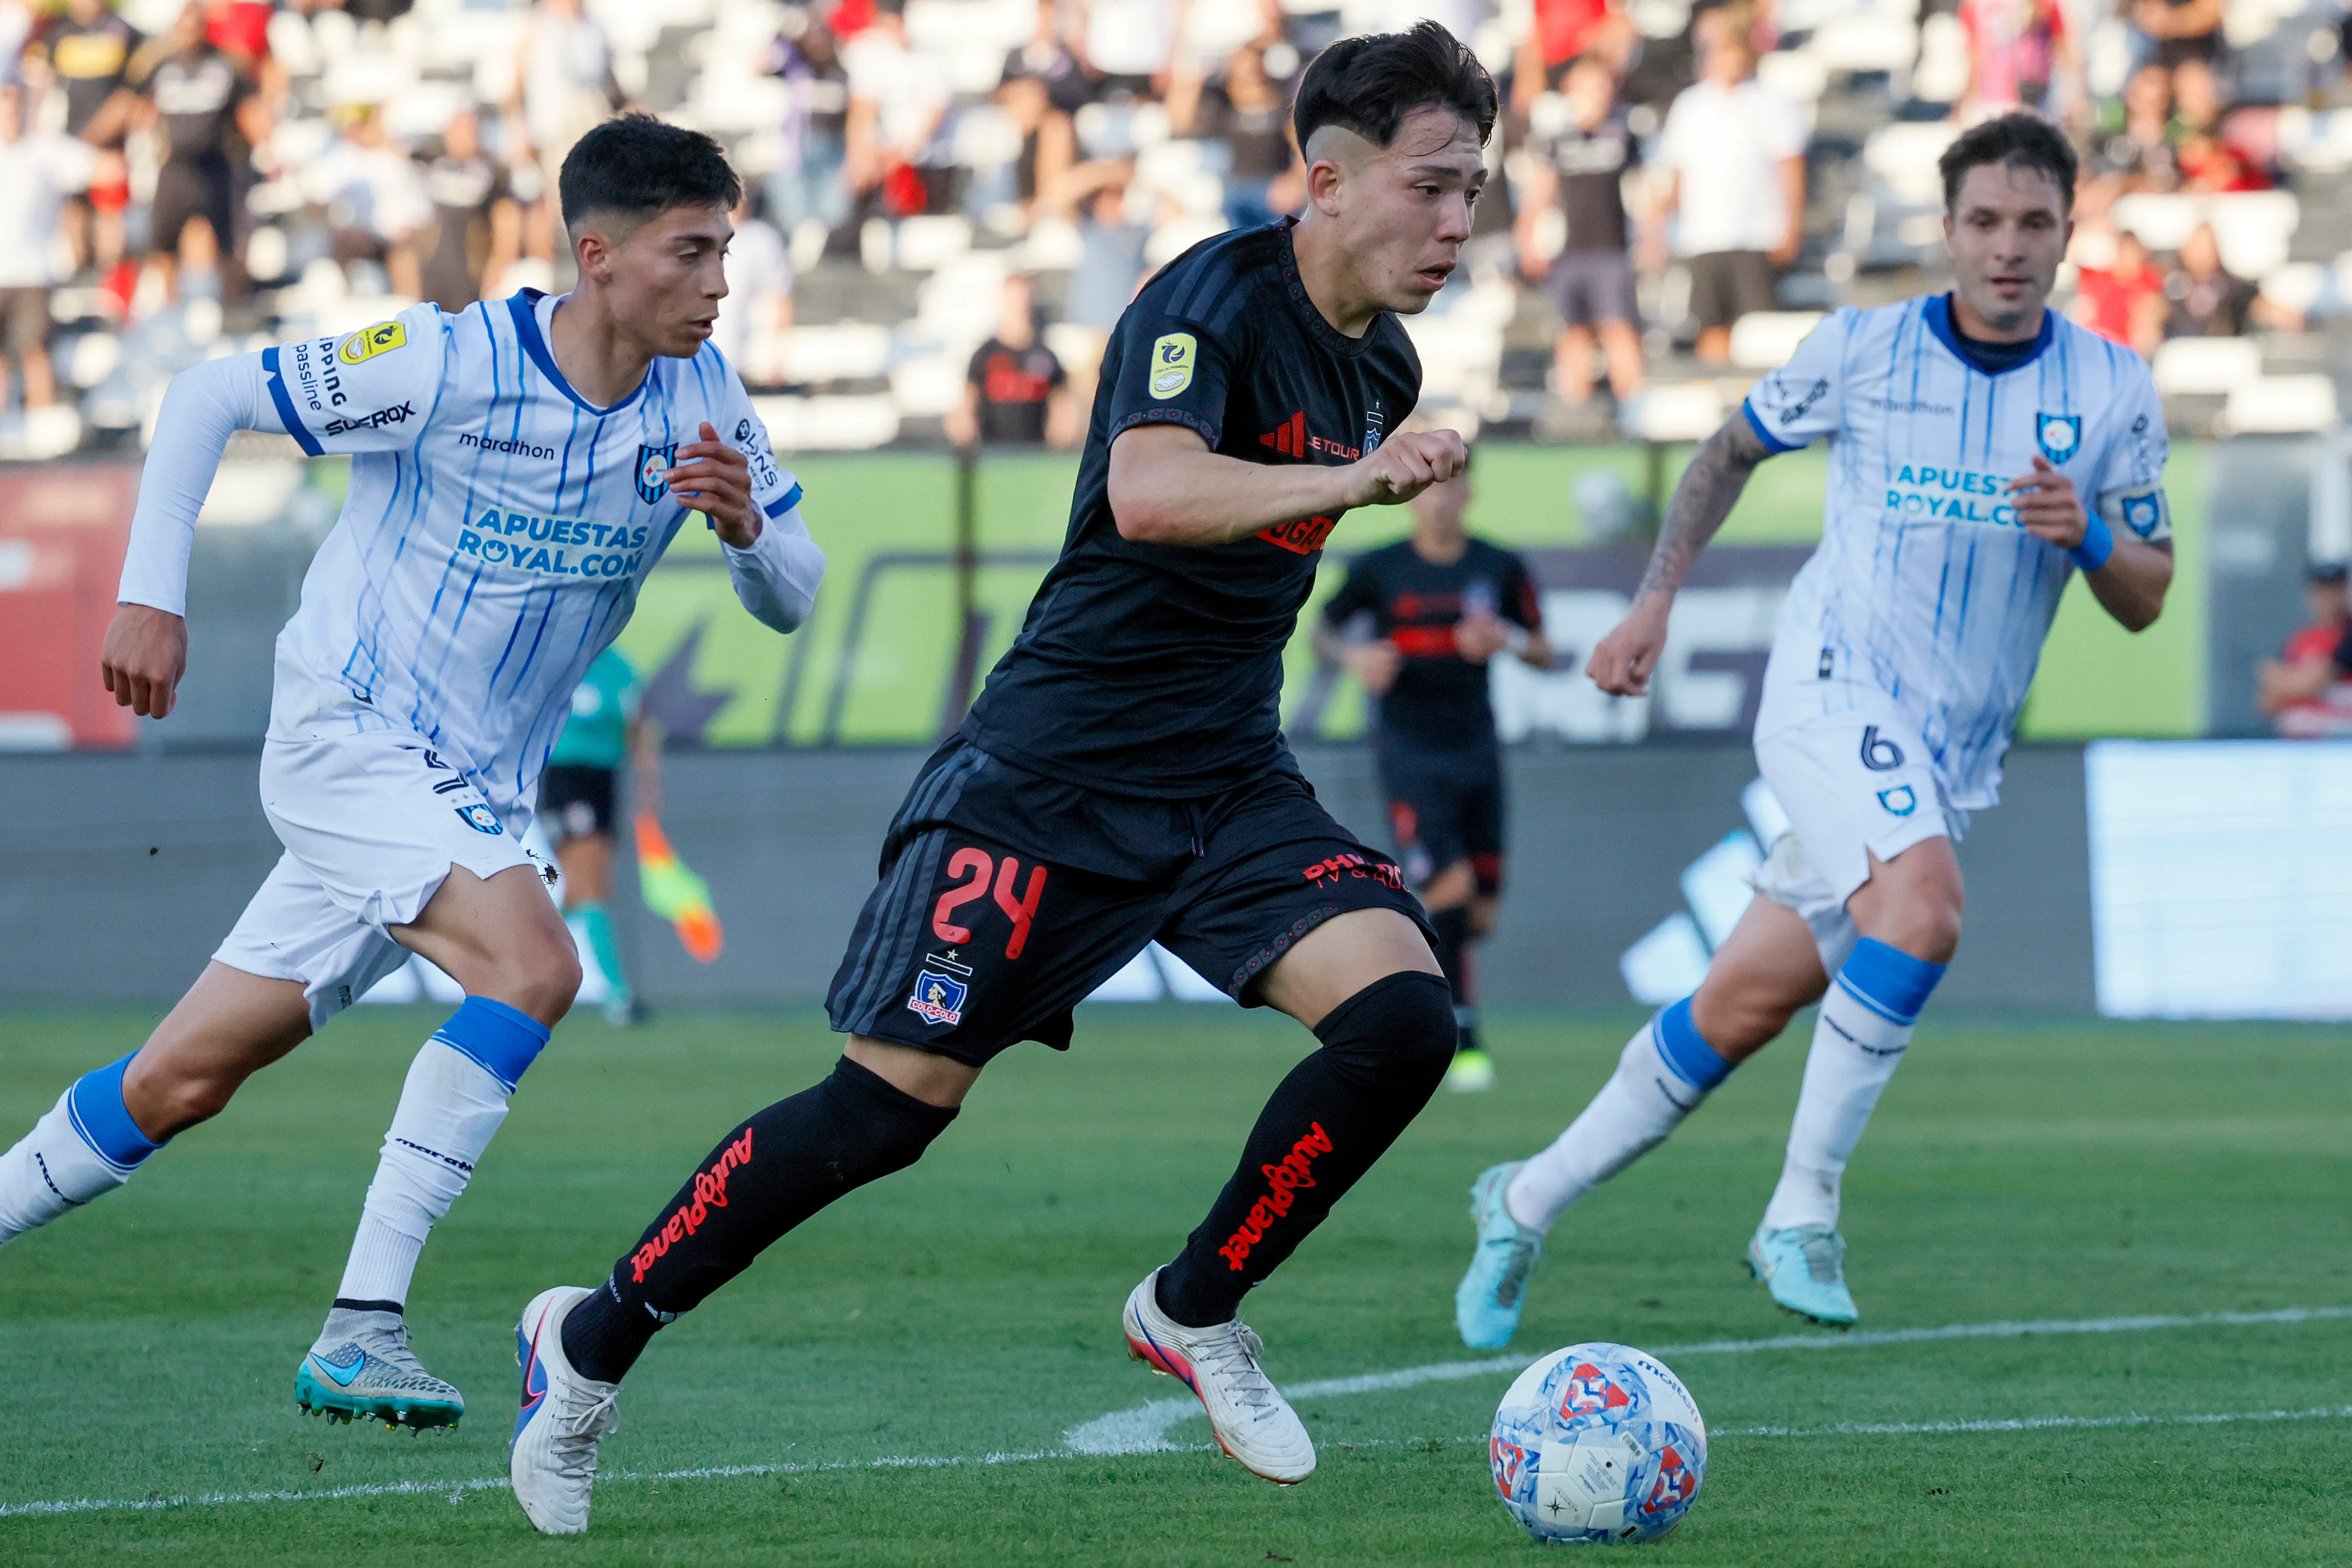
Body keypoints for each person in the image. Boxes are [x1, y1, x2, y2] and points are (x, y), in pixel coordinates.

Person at [504, 22, 1493, 1536]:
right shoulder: (1207, 302)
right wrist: (1352, 481)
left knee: (1406, 1019)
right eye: (1428, 187)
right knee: (883, 1115)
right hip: (1045, 776)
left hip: (1221, 777)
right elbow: (1149, 494)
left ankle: (1192, 1304)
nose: (1454, 222)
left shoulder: (1386, 364)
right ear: (1325, 179)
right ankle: (590, 1342)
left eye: (1469, 191)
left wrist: (1353, 467)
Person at [0, 117, 824, 1439]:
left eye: (727, 248)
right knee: (537, 966)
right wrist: (150, 597)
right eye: (694, 251)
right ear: (599, 254)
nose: (721, 281)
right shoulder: (444, 363)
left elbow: (795, 593)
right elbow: (208, 395)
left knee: (181, 1082)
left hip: (465, 793)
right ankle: (363, 1327)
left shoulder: (708, 400)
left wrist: (739, 533)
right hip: (350, 734)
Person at [1454, 113, 2175, 1347]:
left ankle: (1522, 1200)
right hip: (1828, 686)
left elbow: (2149, 592)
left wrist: (2092, 536)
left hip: (1948, 749)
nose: (2009, 247)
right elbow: (1726, 452)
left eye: (2035, 224)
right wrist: (1656, 599)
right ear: (1946, 229)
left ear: (2067, 233)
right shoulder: (1864, 349)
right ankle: (1800, 1211)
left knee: (1739, 1006)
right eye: (1986, 222)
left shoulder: (2111, 389)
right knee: (1926, 908)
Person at [1313, 453, 1552, 1093]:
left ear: (1471, 492)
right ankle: (1461, 1035)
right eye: (1431, 489)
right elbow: (1324, 634)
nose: (1441, 500)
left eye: (1454, 486)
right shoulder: (1380, 567)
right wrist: (1356, 656)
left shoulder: (1498, 566)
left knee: (1478, 914)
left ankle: (1441, 1004)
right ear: (1413, 495)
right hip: (1408, 749)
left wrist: (1505, 637)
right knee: (1449, 886)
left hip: (1476, 746)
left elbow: (1547, 649)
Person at [1655, 24, 1806, 364]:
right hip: (1704, 235)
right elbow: (1676, 174)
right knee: (1710, 325)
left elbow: (1791, 170)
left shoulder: (1771, 104)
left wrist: (1791, 225)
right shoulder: (1691, 106)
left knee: (1756, 327)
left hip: (1755, 234)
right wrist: (1663, 230)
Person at [1517, 54, 1645, 415]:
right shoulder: (1558, 141)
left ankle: (1634, 414)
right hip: (1569, 253)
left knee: (1619, 330)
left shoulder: (1622, 137)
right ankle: (1576, 415)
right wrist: (1528, 237)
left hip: (1612, 251)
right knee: (1574, 335)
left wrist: (1651, 239)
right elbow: (1539, 192)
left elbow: (1643, 192)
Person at [542, 646, 661, 1025]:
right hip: (566, 780)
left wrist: (649, 781)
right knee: (593, 885)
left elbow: (639, 728)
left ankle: (511, 948)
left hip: (604, 782)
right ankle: (618, 996)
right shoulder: (562, 659)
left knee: (581, 891)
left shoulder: (622, 668)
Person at [128, 1, 269, 302]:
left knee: (227, 243)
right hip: (174, 166)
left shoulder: (225, 63)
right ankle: (171, 308)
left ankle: (232, 305)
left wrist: (268, 149)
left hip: (216, 165)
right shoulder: (162, 64)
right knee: (164, 245)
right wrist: (137, 146)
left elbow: (248, 110)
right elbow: (142, 107)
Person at [24, 0, 141, 281]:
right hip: (67, 144)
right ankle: (76, 281)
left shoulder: (123, 32)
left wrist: (93, 139)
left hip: (109, 145)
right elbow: (39, 81)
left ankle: (109, 287)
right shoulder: (56, 32)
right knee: (72, 216)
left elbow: (131, 95)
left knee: (109, 219)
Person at [0, 81, 97, 412]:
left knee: (34, 350)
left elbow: (98, 168)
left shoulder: (44, 150)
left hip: (32, 272)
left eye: (15, 108)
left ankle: (41, 419)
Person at [948, 271, 1076, 449]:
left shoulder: (1046, 356)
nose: (1019, 304)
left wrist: (1059, 443)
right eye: (1014, 298)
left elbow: (1061, 406)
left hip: (1035, 456)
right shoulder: (985, 356)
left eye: (1023, 297)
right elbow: (967, 406)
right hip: (992, 456)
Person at [415, 104, 522, 312]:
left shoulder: (495, 173)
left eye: (470, 128)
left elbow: (507, 224)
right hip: (431, 275)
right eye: (458, 127)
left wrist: (496, 272)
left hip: (471, 277)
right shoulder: (428, 161)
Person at [2256, 563, 2352, 737]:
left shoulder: (2348, 636)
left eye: (2335, 590)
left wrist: (2279, 679)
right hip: (2301, 746)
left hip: (2340, 743)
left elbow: (2314, 681)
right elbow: (2266, 703)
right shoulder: (2300, 639)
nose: (2328, 598)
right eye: (2321, 591)